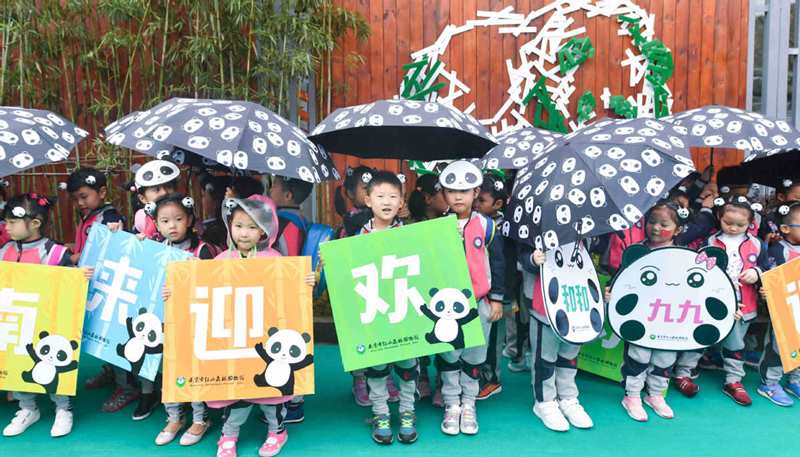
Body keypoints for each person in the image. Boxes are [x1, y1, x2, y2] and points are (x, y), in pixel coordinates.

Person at [211, 194, 315, 457]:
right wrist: (175, 291)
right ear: (229, 226)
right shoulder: (221, 260)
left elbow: (291, 294)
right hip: (234, 336)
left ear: (264, 231)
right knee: (236, 391)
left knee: (271, 390)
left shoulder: (275, 260)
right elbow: (204, 294)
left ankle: (277, 431)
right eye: (238, 225)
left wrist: (306, 282)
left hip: (268, 336)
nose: (244, 233)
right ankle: (228, 435)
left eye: (252, 226)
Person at [673, 196, 768, 405]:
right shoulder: (709, 242)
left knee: (735, 343)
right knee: (700, 336)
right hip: (710, 302)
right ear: (719, 216)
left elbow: (767, 268)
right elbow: (697, 272)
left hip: (744, 303)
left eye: (740, 225)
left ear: (751, 223)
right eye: (728, 222)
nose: (733, 228)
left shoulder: (757, 244)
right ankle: (682, 373)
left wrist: (757, 272)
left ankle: (733, 380)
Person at [436, 161, 505, 436]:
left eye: (464, 191)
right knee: (450, 355)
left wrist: (497, 298)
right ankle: (451, 403)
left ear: (476, 192)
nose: (457, 196)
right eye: (451, 190)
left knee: (475, 356)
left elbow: (499, 263)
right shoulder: (438, 227)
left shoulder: (487, 226)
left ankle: (469, 403)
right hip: (447, 306)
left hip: (480, 302)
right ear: (444, 193)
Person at [1, 193, 75, 437]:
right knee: (16, 359)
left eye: (12, 222)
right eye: (6, 221)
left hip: (50, 322)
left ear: (35, 223)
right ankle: (27, 408)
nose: (6, 226)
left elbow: (71, 285)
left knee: (54, 363)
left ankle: (63, 409)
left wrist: (80, 276)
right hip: (16, 319)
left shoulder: (54, 253)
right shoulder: (4, 251)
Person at [615, 201, 688, 421]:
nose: (656, 228)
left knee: (665, 357)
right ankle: (632, 395)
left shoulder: (685, 256)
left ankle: (656, 394)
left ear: (678, 229)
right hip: (640, 317)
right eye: (652, 222)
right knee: (638, 356)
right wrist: (613, 291)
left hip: (671, 318)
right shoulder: (636, 251)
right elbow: (621, 279)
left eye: (663, 223)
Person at [519, 241, 593, 431]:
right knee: (545, 358)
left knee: (569, 356)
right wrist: (532, 260)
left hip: (576, 303)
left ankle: (568, 397)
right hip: (545, 304)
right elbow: (521, 255)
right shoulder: (536, 227)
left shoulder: (584, 228)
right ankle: (545, 401)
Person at [758, 201, 800, 406]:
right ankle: (770, 383)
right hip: (785, 307)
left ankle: (795, 380)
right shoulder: (779, 251)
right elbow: (771, 277)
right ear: (785, 228)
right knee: (779, 345)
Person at [474, 173, 509, 401]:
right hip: (479, 292)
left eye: (482, 201)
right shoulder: (472, 223)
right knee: (479, 336)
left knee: (495, 338)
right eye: (475, 198)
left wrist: (502, 296)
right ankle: (476, 375)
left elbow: (503, 263)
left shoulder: (505, 226)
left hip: (499, 293)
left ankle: (492, 379)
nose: (476, 204)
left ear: (497, 204)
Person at [65, 168, 124, 264]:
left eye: (84, 197)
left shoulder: (109, 219)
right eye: (74, 199)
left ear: (102, 192)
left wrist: (75, 258)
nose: (79, 203)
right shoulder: (88, 215)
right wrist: (74, 246)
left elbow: (107, 251)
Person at [132, 160, 181, 239]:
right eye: (156, 189)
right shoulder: (143, 216)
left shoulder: (185, 210)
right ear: (142, 198)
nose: (164, 192)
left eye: (168, 186)